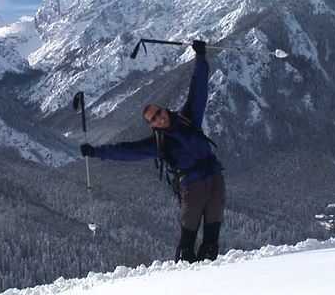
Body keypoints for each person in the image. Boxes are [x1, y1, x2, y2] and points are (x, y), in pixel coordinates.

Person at [80, 40, 226, 263]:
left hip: (215, 180)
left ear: (164, 109)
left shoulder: (188, 118)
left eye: (159, 112)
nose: (159, 118)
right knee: (186, 246)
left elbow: (199, 89)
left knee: (211, 243)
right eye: (154, 119)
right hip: (193, 187)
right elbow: (125, 152)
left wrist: (200, 57)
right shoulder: (158, 144)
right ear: (152, 125)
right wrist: (95, 152)